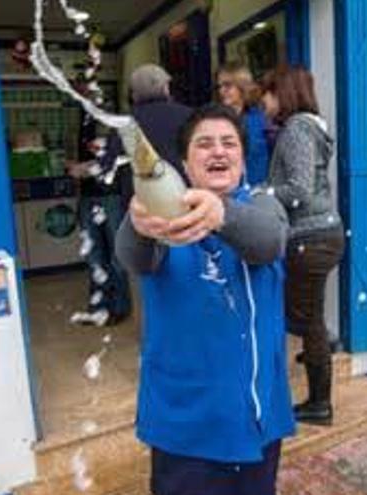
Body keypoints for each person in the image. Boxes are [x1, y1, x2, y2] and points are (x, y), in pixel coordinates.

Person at [116, 104, 295, 495]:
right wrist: (137, 222)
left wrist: (220, 213)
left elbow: (269, 241)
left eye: (229, 143)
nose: (219, 151)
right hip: (185, 427)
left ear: (243, 158)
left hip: (256, 417)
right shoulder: (163, 216)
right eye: (205, 144)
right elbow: (134, 257)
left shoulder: (262, 204)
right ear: (183, 162)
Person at [67, 64, 191, 326]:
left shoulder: (128, 125)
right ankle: (188, 323)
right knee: (187, 268)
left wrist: (81, 170)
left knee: (147, 271)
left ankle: (154, 329)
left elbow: (106, 166)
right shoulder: (189, 116)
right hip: (186, 205)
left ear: (133, 95)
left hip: (142, 210)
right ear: (166, 88)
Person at [260, 65, 344, 425]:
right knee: (312, 317)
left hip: (309, 238)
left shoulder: (296, 129)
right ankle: (323, 346)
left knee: (308, 322)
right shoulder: (312, 126)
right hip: (324, 234)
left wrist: (261, 192)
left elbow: (298, 190)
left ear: (284, 92)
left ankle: (320, 404)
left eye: (268, 92)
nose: (264, 101)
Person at [217, 62, 273, 185]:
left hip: (257, 191)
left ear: (242, 86)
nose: (222, 91)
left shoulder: (261, 119)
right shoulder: (218, 119)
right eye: (220, 86)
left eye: (227, 86)